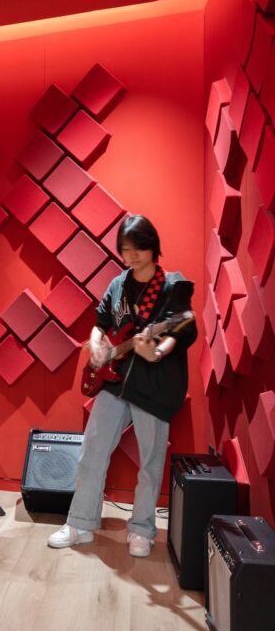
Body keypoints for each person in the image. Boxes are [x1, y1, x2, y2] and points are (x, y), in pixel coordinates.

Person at [47, 214, 197, 557]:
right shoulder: (118, 284)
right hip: (115, 383)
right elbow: (99, 323)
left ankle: (142, 530)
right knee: (91, 453)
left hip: (154, 386)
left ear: (153, 246)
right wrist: (97, 342)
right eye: (126, 250)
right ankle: (81, 524)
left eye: (138, 249)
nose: (132, 256)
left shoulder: (173, 287)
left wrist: (155, 351)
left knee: (150, 462)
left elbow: (179, 330)